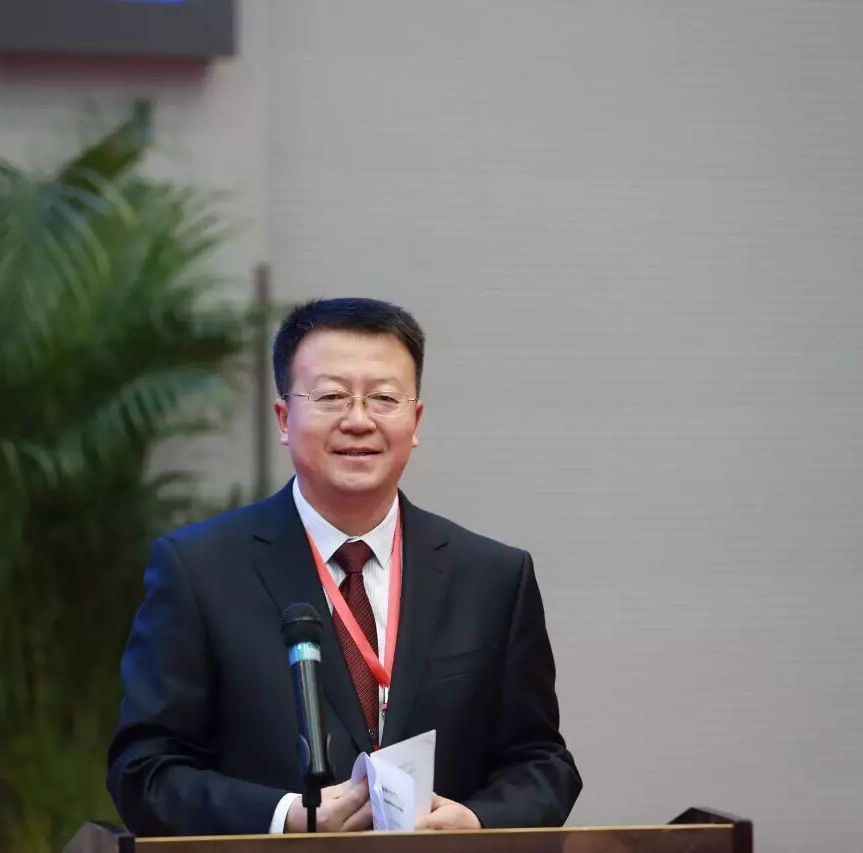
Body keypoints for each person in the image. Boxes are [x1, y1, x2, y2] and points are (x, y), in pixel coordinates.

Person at [107, 298, 581, 835]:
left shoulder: (492, 577)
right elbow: (144, 771)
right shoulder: (199, 571)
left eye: (384, 398)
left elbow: (542, 763)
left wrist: (476, 823)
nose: (358, 421)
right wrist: (286, 818)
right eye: (331, 396)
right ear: (284, 419)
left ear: (415, 420)